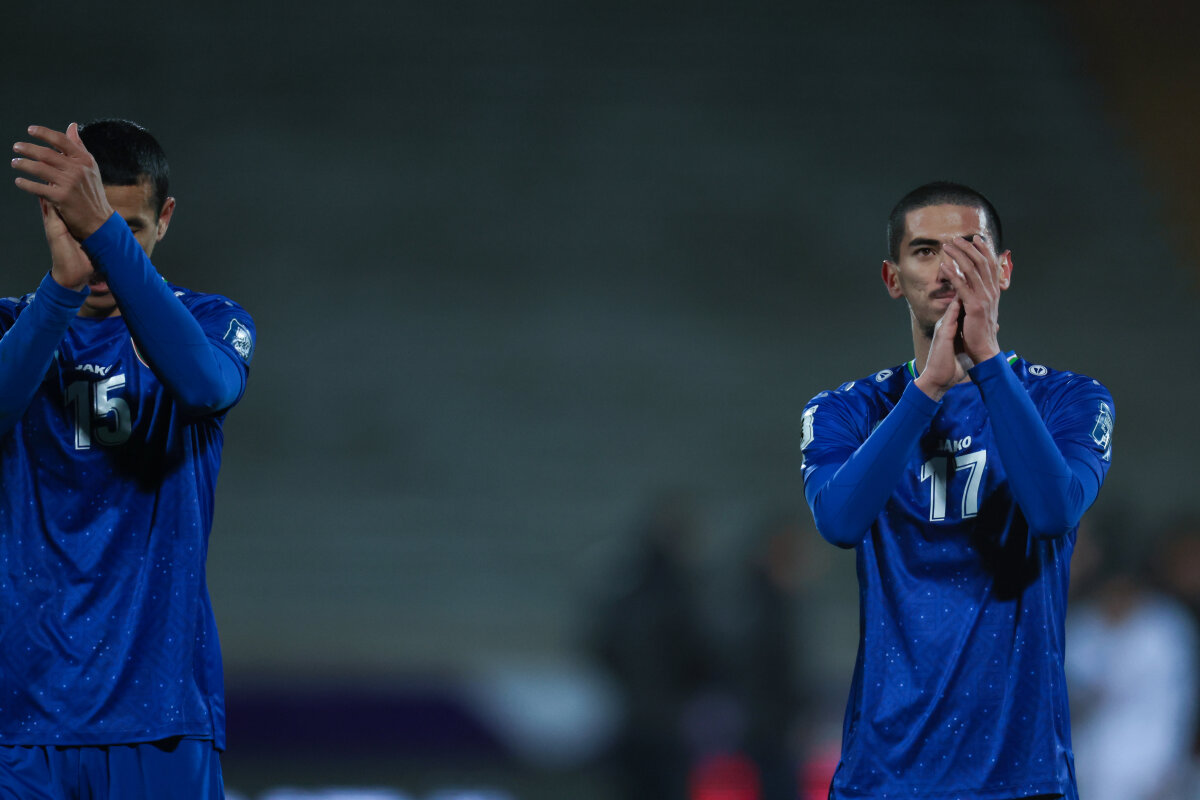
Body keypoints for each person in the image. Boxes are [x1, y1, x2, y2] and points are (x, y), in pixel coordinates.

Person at [798, 182, 1114, 800]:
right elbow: (838, 521)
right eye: (925, 251)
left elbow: (1054, 512)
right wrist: (928, 391)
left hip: (1022, 775)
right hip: (884, 774)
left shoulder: (1070, 401)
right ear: (893, 279)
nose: (948, 269)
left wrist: (987, 360)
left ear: (1003, 270)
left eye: (969, 248)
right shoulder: (846, 411)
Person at [1, 120, 254, 797]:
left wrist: (100, 231)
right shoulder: (9, 328)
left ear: (164, 219)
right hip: (17, 724)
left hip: (161, 718)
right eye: (82, 227)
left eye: (125, 230)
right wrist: (59, 291)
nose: (101, 256)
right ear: (51, 214)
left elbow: (203, 387)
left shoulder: (212, 321)